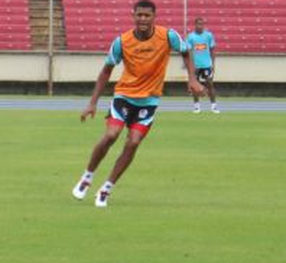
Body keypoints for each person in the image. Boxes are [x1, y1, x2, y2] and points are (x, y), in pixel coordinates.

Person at [71, 0, 204, 208]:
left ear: (154, 17)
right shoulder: (122, 42)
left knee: (133, 142)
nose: (142, 19)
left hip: (149, 101)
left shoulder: (168, 36)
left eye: (147, 15)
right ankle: (87, 176)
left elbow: (187, 52)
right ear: (133, 15)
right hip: (124, 95)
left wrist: (193, 79)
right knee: (111, 135)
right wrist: (92, 102)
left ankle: (107, 188)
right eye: (139, 15)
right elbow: (106, 70)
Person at [187, 17, 218, 114]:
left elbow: (212, 50)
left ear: (203, 25)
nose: (200, 26)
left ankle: (213, 106)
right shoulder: (191, 37)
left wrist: (213, 64)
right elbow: (188, 52)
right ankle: (197, 107)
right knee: (195, 86)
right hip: (196, 66)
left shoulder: (208, 36)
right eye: (198, 24)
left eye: (201, 24)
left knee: (210, 85)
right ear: (195, 25)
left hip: (206, 65)